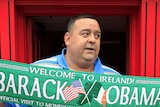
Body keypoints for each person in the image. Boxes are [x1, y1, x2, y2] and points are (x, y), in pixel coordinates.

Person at [0, 14, 120, 107]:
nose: (92, 40)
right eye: (85, 34)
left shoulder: (116, 79)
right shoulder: (37, 71)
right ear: (68, 39)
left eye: (97, 35)